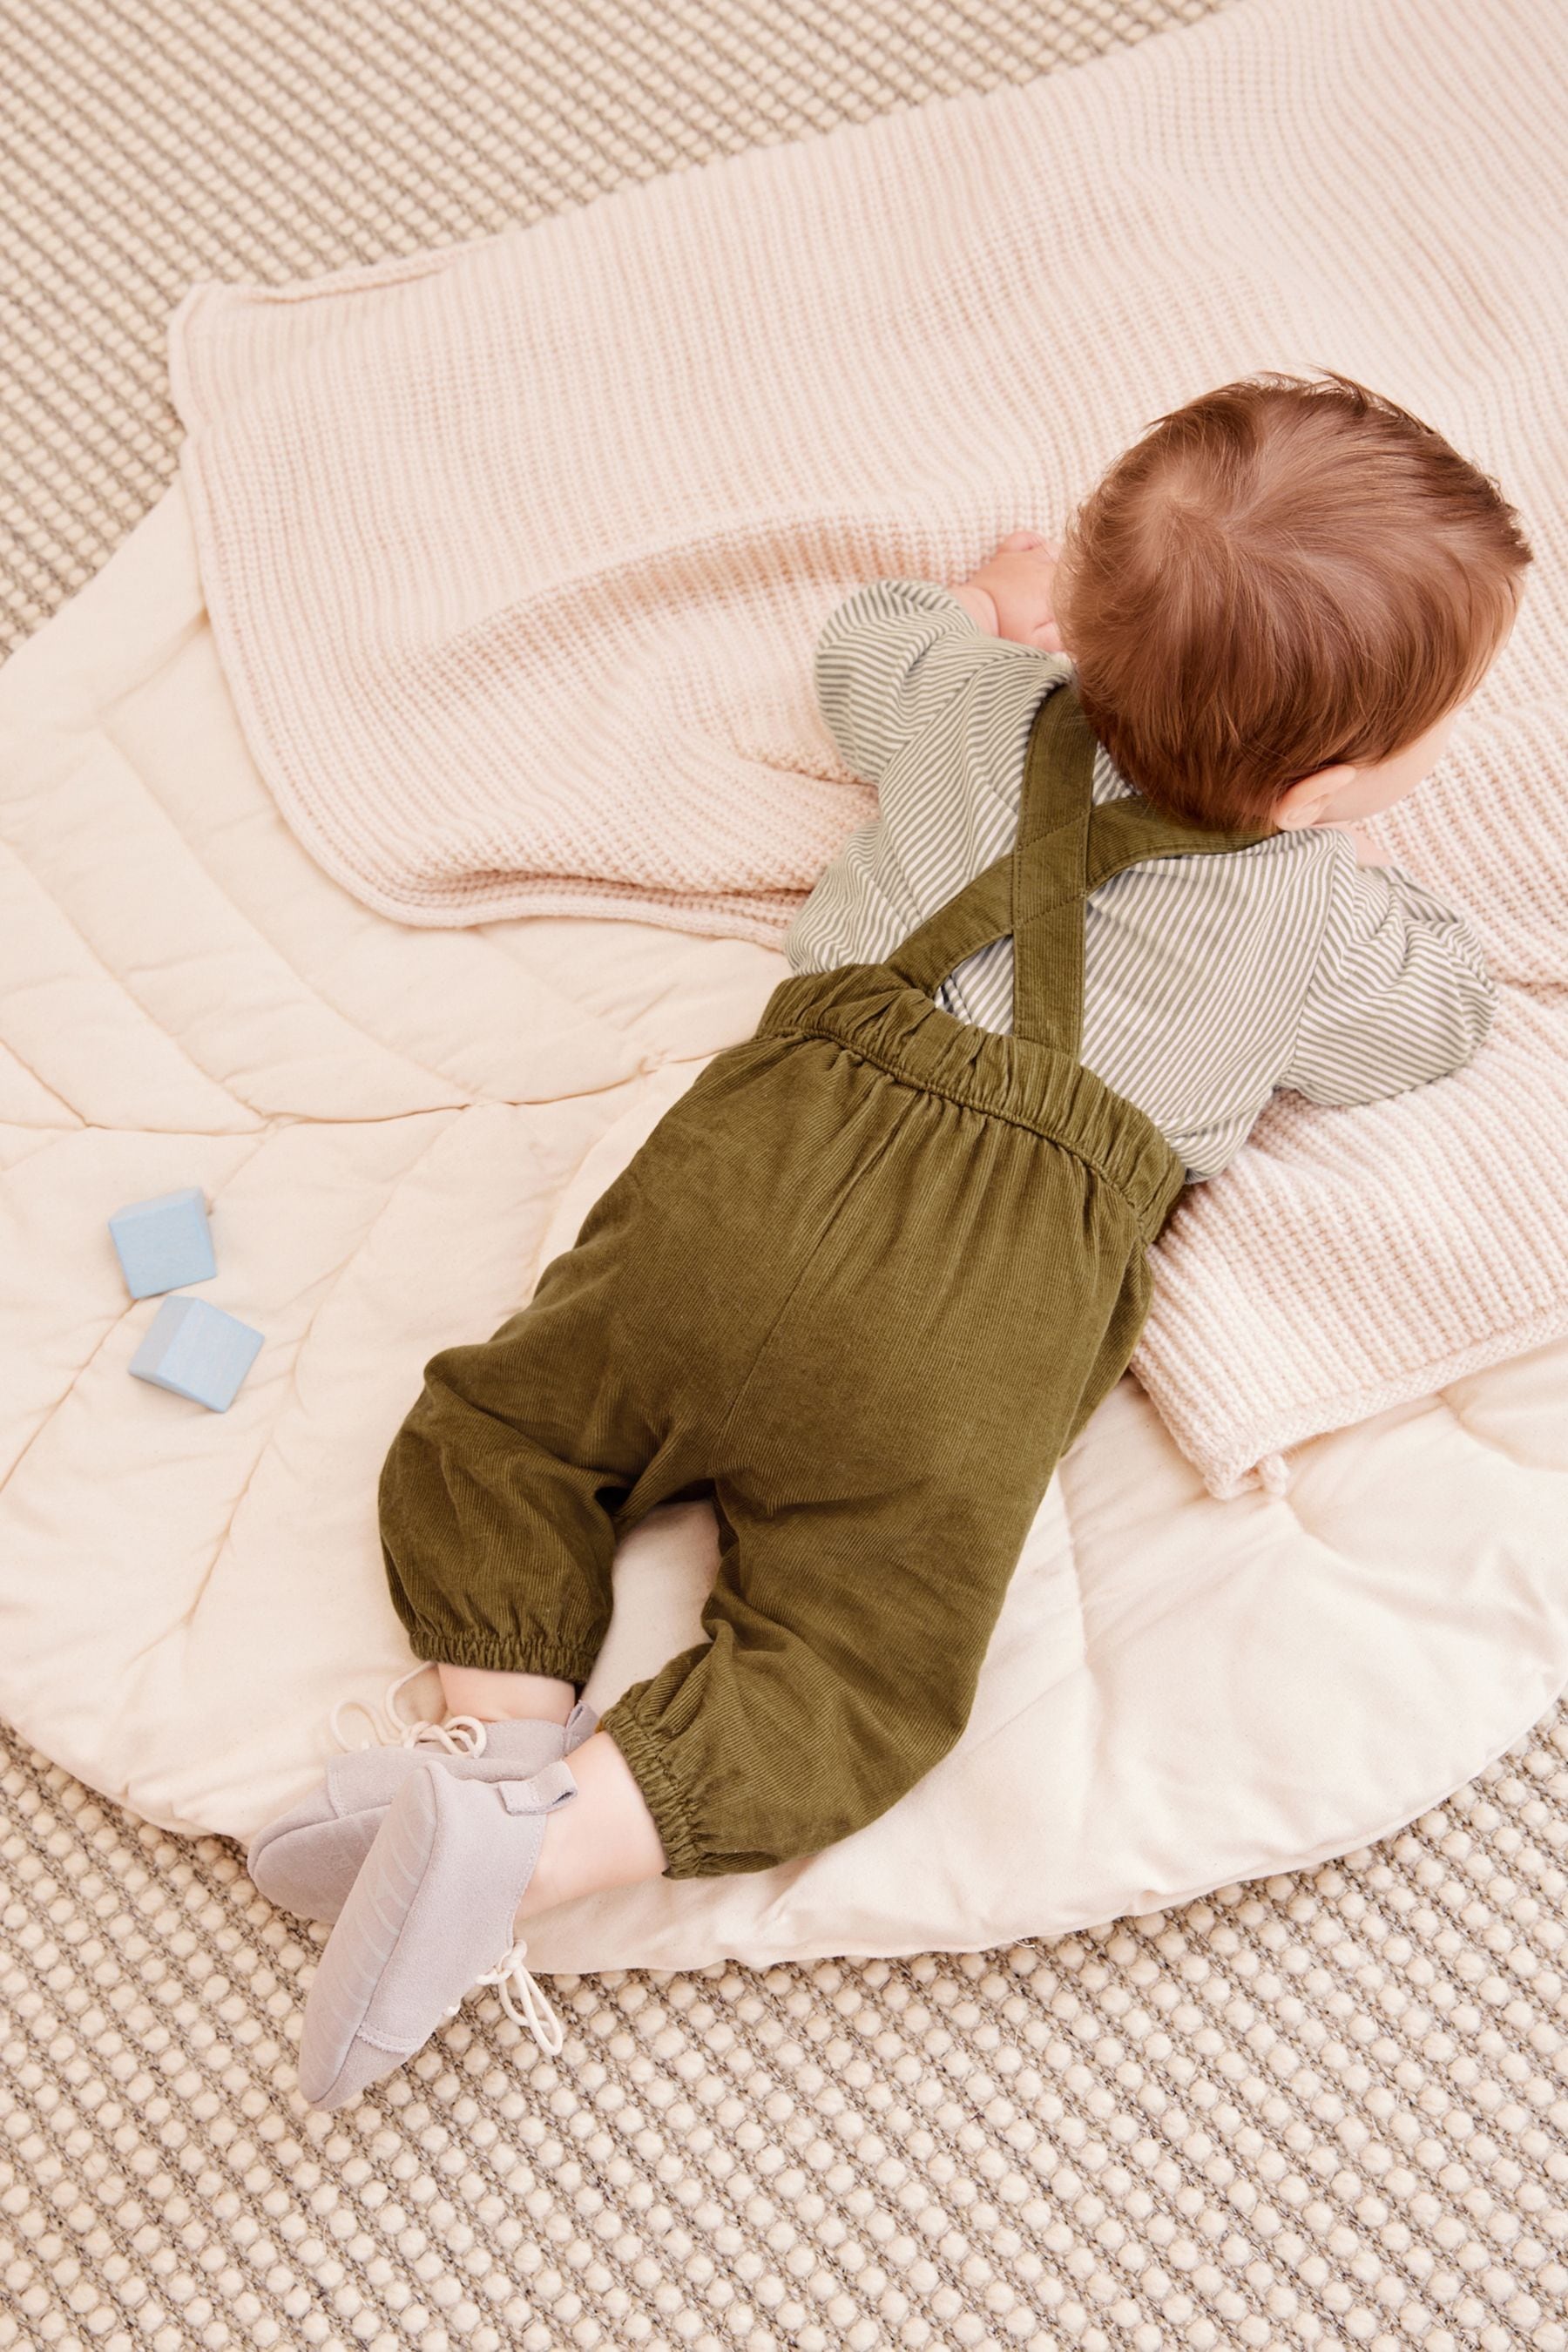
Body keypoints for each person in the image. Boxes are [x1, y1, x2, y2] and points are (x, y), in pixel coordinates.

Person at [248, 373, 1530, 2112]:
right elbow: (1443, 1019)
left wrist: (987, 605)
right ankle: (539, 1841)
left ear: (1082, 618)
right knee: (855, 1670)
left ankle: (489, 1742)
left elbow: (861, 641)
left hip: (753, 1176)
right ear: (1323, 788)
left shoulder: (972, 703)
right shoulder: (1317, 924)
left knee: (511, 1435)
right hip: (976, 1320)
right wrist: (1378, 889)